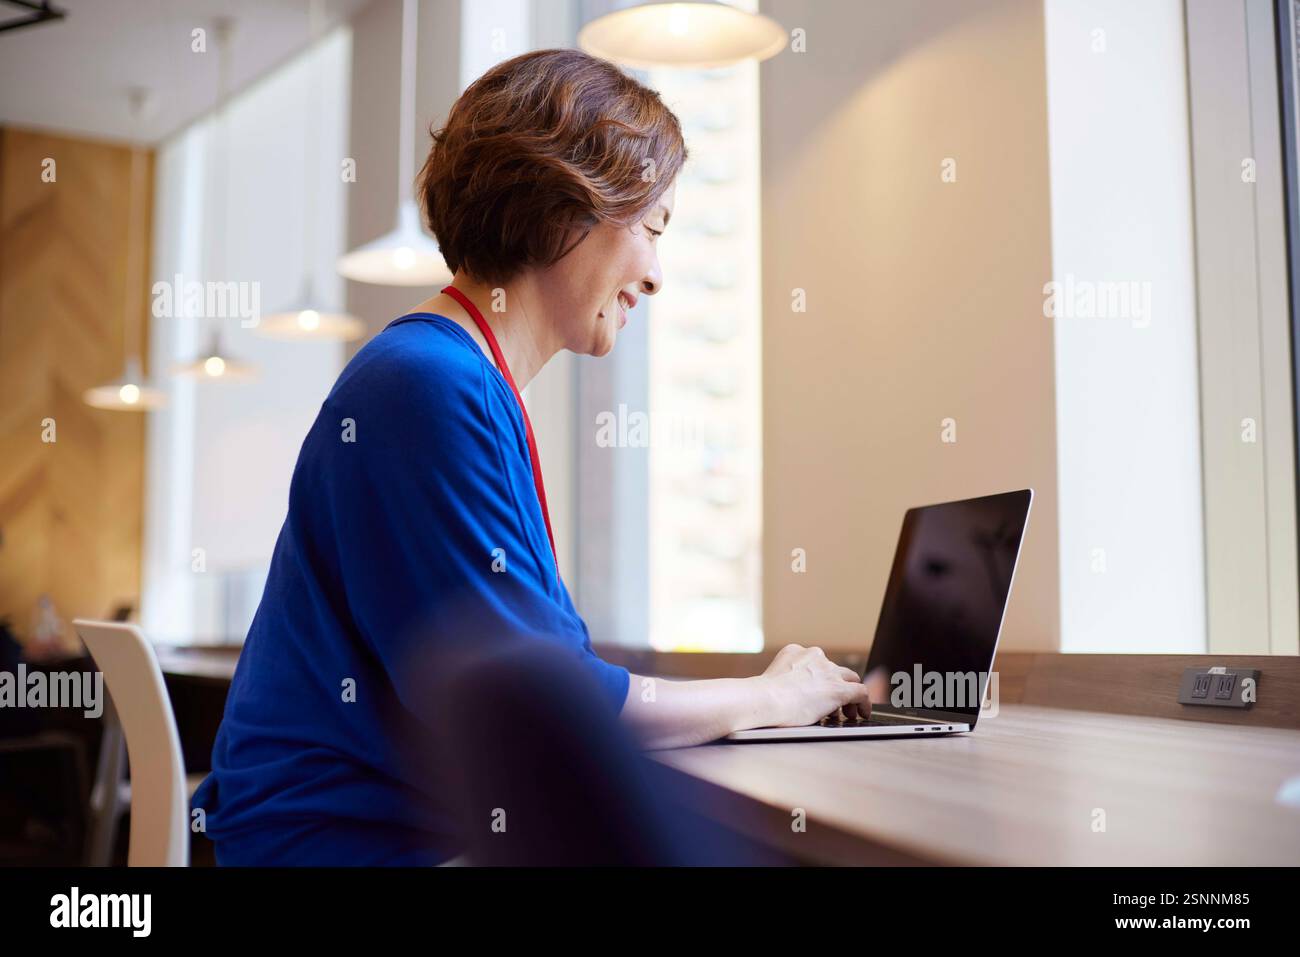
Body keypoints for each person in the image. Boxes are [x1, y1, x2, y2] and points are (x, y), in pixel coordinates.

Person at [193, 48, 871, 866]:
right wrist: (768, 696)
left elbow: (548, 678)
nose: (655, 276)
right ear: (562, 207)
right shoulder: (430, 386)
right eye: (652, 228)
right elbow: (558, 708)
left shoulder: (447, 377)